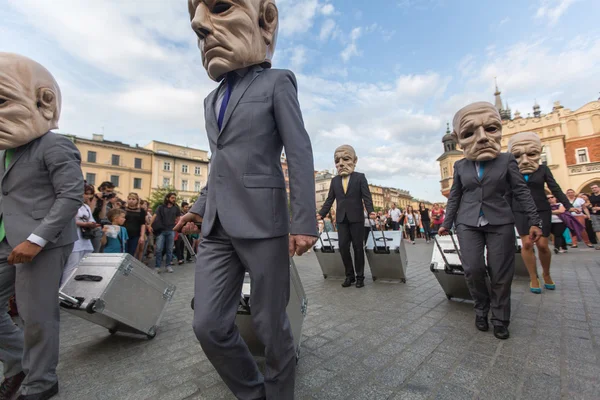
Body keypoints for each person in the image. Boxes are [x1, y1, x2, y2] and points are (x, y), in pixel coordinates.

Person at [176, 1, 318, 398]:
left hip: (264, 222)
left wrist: (304, 220)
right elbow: (218, 164)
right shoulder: (210, 100)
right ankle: (253, 392)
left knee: (272, 326)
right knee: (207, 324)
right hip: (216, 226)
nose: (199, 26)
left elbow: (299, 150)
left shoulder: (277, 82)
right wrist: (198, 208)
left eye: (219, 8)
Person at [0, 52, 84, 400]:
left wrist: (36, 239)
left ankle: (41, 383)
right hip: (6, 240)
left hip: (42, 242)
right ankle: (20, 362)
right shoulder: (5, 149)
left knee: (38, 317)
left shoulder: (55, 145)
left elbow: (71, 194)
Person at [439, 101, 542, 341]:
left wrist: (534, 221)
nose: (482, 138)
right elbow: (455, 196)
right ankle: (481, 309)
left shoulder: (506, 160)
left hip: (500, 222)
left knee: (500, 273)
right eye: (469, 133)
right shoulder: (460, 165)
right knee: (473, 269)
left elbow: (521, 192)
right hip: (467, 222)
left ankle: (500, 318)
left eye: (491, 129)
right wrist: (447, 222)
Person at [506, 132, 573, 293]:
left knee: (542, 244)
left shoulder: (543, 169)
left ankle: (547, 274)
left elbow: (554, 188)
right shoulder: (511, 172)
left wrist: (568, 205)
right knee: (527, 243)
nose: (525, 159)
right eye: (517, 155)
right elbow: (507, 193)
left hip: (541, 209)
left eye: (531, 153)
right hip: (519, 210)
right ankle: (533, 277)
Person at [318, 145, 376, 288]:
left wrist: (371, 211)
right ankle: (349, 276)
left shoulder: (360, 177)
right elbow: (330, 200)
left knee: (358, 248)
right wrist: (321, 214)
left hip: (356, 218)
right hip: (341, 219)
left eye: (345, 159)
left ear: (355, 161)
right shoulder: (335, 181)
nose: (341, 163)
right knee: (343, 247)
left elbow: (366, 197)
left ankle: (360, 276)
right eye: (337, 161)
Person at [61, 184, 99, 285]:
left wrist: (92, 225)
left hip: (85, 238)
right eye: (86, 193)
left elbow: (91, 219)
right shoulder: (71, 204)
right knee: (71, 266)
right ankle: (64, 290)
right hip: (74, 238)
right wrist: (85, 224)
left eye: (90, 194)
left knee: (83, 266)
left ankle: (76, 289)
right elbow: (69, 220)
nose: (87, 196)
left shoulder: (86, 207)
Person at [150, 193, 180, 273]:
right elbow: (155, 215)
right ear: (167, 198)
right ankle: (157, 267)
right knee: (159, 249)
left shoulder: (176, 208)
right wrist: (149, 225)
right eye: (172, 197)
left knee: (169, 249)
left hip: (171, 230)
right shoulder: (160, 207)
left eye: (174, 198)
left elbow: (178, 219)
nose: (174, 199)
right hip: (161, 231)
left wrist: (179, 227)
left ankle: (168, 266)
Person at [124, 193, 147, 260]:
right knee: (123, 251)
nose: (131, 200)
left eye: (133, 199)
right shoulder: (123, 209)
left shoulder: (141, 211)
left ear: (137, 200)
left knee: (132, 251)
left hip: (135, 234)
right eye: (129, 199)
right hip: (124, 234)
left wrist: (142, 236)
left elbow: (143, 224)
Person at [587, 184, 600, 249]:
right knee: (597, 229)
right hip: (594, 214)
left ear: (599, 188)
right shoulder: (591, 197)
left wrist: (599, 208)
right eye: (592, 188)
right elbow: (589, 205)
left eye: (595, 187)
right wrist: (590, 207)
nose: (594, 189)